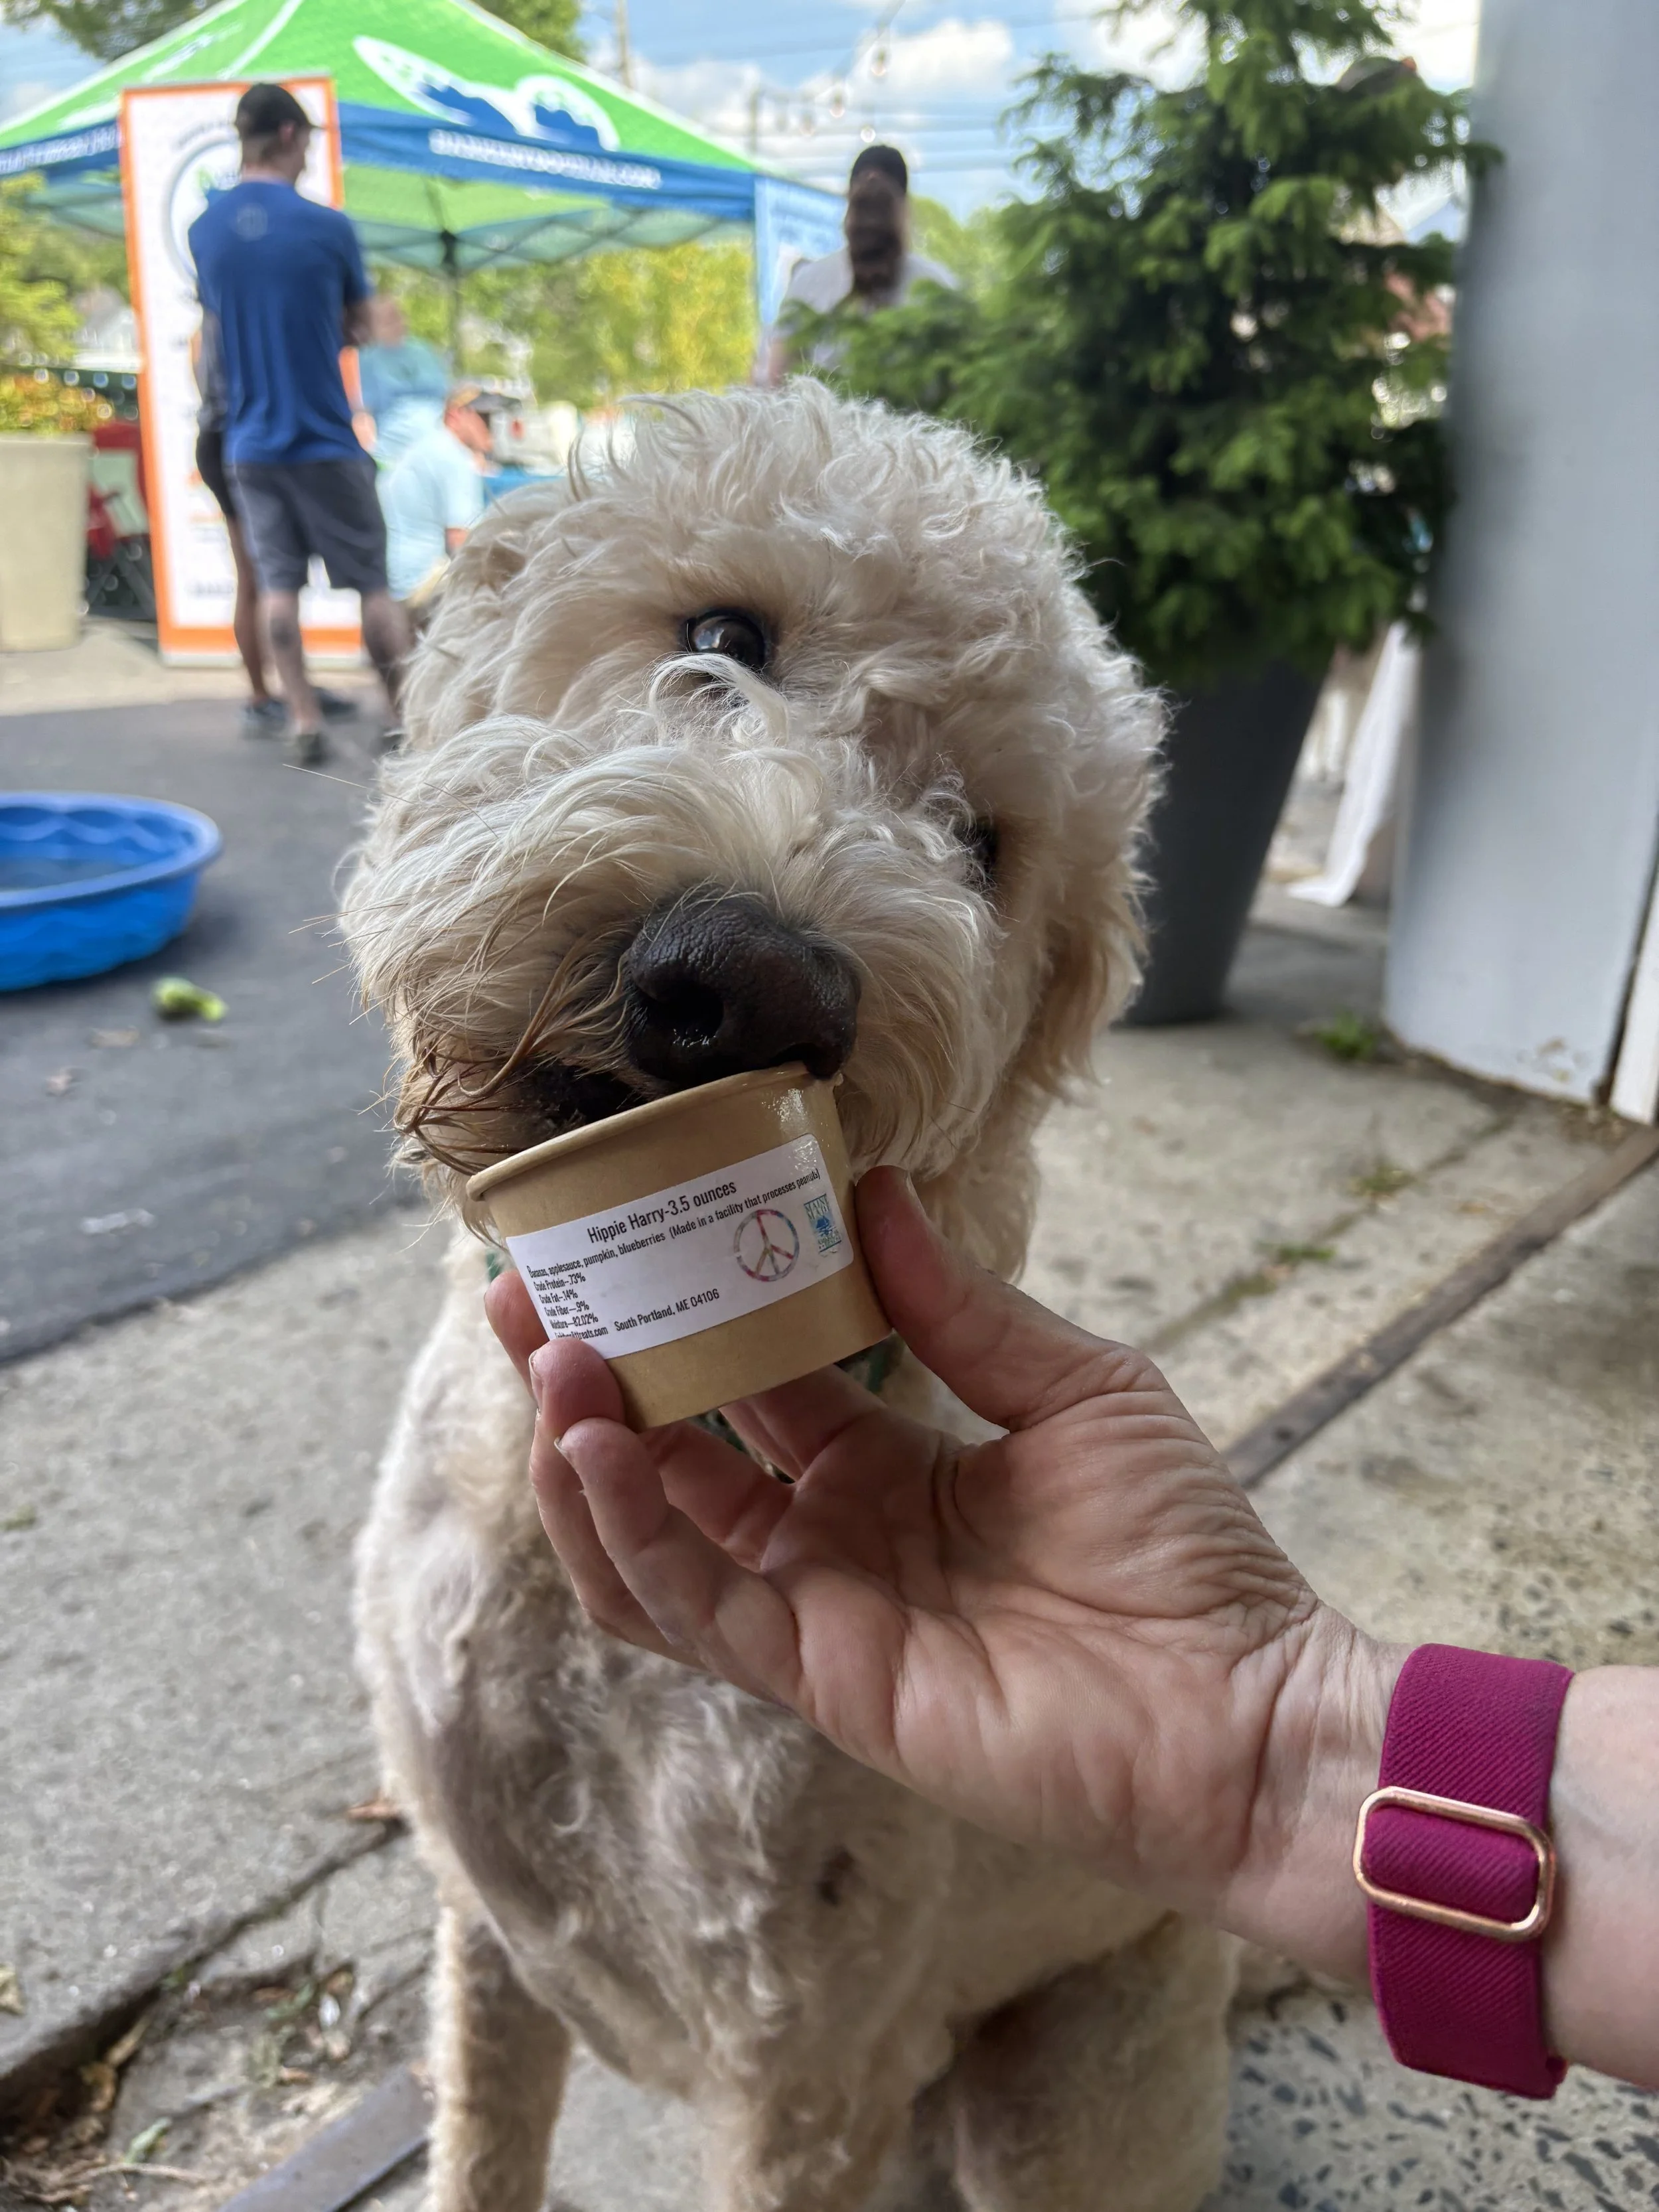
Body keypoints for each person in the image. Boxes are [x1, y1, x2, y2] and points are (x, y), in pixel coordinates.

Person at [486, 1167, 1659, 2096]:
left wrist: (1279, 1747)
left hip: (1051, 1975)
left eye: (978, 852)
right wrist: (1281, 1739)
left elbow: (809, 2097)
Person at [188, 83, 409, 765]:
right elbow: (360, 324)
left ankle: (304, 718)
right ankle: (403, 718)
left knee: (276, 587)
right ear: (288, 135)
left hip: (250, 444)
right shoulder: (327, 227)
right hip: (323, 435)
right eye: (308, 139)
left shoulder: (206, 231)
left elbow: (218, 329)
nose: (310, 152)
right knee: (372, 584)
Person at [191, 310, 359, 739]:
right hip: (243, 440)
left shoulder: (226, 320)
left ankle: (286, 689)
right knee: (262, 577)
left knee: (271, 577)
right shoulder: (230, 321)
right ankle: (265, 696)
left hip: (242, 438)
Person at [760, 145, 956, 386]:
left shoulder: (809, 283)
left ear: (849, 204)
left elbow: (776, 380)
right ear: (904, 208)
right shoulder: (937, 288)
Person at [379, 382, 501, 607]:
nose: (492, 428)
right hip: (421, 584)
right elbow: (461, 541)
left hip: (394, 580)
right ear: (455, 414)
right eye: (484, 418)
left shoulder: (430, 447)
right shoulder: (454, 458)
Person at [356, 296, 451, 472]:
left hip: (439, 431)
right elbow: (363, 415)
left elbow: (448, 398)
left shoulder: (425, 351)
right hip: (395, 441)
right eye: (387, 318)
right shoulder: (367, 359)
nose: (395, 321)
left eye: (397, 315)